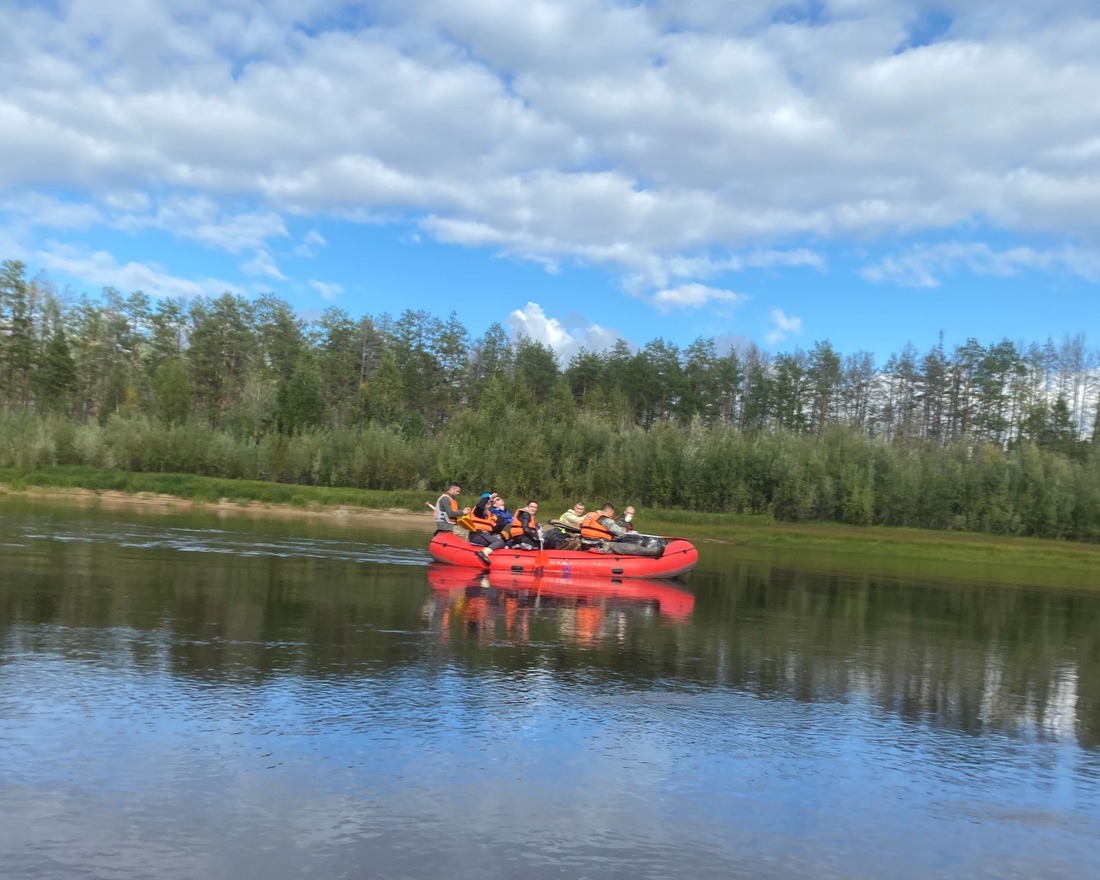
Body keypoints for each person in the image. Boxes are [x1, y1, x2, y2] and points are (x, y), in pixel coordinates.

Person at [468, 492, 509, 564]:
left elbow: (497, 526)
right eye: (488, 501)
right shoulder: (478, 511)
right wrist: (489, 497)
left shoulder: (489, 514)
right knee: (499, 542)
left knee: (502, 541)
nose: (490, 502)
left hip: (484, 535)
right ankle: (484, 553)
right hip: (477, 534)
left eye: (491, 501)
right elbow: (480, 506)